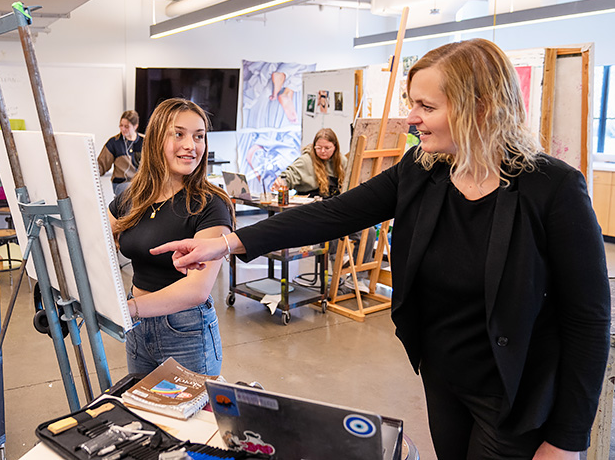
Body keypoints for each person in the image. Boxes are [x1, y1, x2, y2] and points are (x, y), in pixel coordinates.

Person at [152, 39, 610, 459]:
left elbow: (587, 321)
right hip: (444, 379)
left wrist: (568, 440)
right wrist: (228, 243)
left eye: (426, 106)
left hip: (514, 394)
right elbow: (334, 214)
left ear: (480, 107)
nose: (411, 118)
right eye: (413, 102)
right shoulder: (423, 169)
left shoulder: (552, 189)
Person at [108, 98, 233, 376]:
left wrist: (127, 309)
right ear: (155, 140)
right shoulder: (131, 197)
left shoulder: (210, 204)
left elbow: (196, 290)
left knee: (190, 419)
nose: (191, 145)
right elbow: (94, 243)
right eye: (179, 134)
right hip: (138, 328)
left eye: (198, 136)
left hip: (185, 330)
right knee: (144, 416)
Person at [271, 128, 372, 292]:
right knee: (332, 227)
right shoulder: (306, 161)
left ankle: (358, 278)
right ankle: (337, 272)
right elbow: (288, 175)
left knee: (369, 231)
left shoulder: (341, 162)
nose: (322, 152)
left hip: (339, 210)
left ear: (335, 147)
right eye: (319, 148)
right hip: (315, 213)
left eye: (327, 148)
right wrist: (281, 181)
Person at [98, 110, 144, 196]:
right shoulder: (114, 143)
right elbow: (101, 165)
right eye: (121, 125)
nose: (123, 129)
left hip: (140, 184)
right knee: (131, 191)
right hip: (121, 184)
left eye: (126, 126)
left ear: (135, 126)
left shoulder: (145, 142)